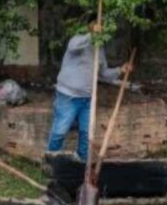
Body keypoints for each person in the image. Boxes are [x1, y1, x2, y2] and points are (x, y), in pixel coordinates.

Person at [46, 22, 132, 162]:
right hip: (68, 96)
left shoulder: (100, 48)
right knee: (60, 132)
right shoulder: (78, 40)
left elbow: (103, 73)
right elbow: (72, 47)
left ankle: (82, 165)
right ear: (91, 25)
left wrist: (120, 70)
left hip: (87, 98)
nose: (101, 28)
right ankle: (50, 162)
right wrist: (91, 35)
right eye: (97, 24)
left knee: (86, 134)